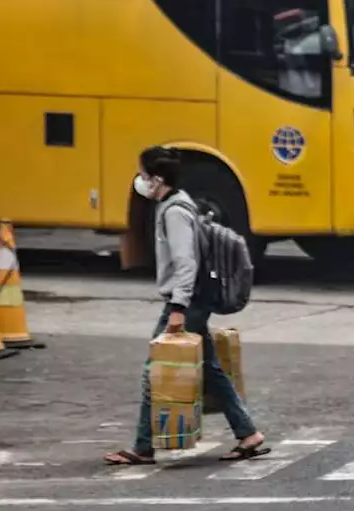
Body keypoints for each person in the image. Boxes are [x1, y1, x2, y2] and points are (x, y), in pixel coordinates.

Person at [103, 147, 268, 466]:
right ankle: (248, 433)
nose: (140, 181)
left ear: (157, 179)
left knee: (155, 369)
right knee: (209, 368)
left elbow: (186, 263)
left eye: (143, 175)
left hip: (187, 301)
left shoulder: (175, 211)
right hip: (193, 300)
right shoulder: (176, 203)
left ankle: (142, 447)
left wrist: (178, 308)